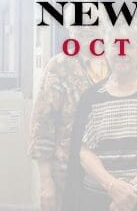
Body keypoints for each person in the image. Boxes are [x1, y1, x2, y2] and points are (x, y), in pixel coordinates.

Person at [63, 26, 137, 211]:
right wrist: (112, 186)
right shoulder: (90, 97)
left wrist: (131, 191)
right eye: (115, 45)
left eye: (129, 45)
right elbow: (83, 151)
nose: (121, 52)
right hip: (98, 199)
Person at [30, 23, 110, 211]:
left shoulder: (111, 63)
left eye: (93, 27)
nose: (86, 33)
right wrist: (46, 181)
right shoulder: (58, 66)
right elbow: (42, 123)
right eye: (80, 28)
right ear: (71, 31)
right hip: (66, 171)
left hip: (106, 171)